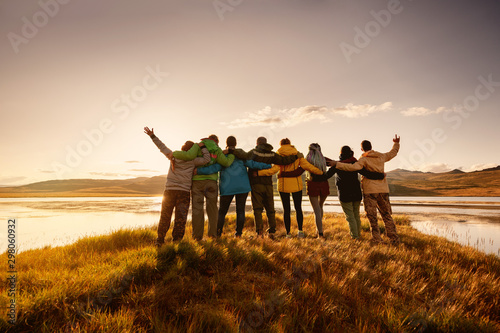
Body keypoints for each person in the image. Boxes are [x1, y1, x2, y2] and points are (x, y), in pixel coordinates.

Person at [279, 144, 384, 239]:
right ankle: (356, 235)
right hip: (343, 190)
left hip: (329, 190)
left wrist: (284, 174)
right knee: (349, 213)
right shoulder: (350, 163)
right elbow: (363, 172)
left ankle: (324, 233)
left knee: (321, 210)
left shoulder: (317, 161)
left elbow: (307, 172)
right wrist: (380, 175)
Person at [144, 127, 210, 246]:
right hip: (183, 192)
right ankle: (177, 242)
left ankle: (160, 240)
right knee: (180, 218)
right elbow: (207, 159)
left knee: (165, 216)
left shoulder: (173, 156)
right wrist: (202, 147)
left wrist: (152, 136)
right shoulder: (193, 160)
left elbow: (161, 147)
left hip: (169, 191)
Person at [195, 136, 271, 237]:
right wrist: (268, 166)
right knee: (240, 211)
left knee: (222, 212)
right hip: (242, 187)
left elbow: (214, 168)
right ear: (235, 143)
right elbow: (252, 164)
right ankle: (238, 234)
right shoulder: (240, 154)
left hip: (227, 188)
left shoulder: (223, 155)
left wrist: (198, 171)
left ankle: (218, 233)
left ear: (226, 143)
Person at [330, 135, 401, 244]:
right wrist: (396, 143)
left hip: (370, 191)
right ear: (371, 147)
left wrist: (337, 164)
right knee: (386, 214)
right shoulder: (381, 156)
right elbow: (393, 153)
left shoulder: (363, 159)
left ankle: (377, 239)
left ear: (362, 149)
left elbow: (352, 167)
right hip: (383, 190)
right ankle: (394, 238)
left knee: (372, 217)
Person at [172, 134, 235, 241]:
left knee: (197, 210)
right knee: (212, 210)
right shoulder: (217, 149)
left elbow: (188, 156)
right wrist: (231, 154)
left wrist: (173, 153)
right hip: (211, 183)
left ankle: (197, 237)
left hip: (197, 182)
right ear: (216, 141)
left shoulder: (197, 146)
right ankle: (212, 236)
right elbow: (226, 163)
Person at [233, 137, 298, 238]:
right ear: (266, 143)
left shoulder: (254, 152)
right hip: (268, 184)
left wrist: (232, 150)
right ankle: (272, 231)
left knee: (257, 209)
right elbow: (284, 161)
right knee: (270, 209)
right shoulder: (271, 154)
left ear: (257, 143)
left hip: (255, 184)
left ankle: (259, 232)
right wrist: (295, 156)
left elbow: (244, 155)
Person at [257, 138, 323, 238]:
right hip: (297, 185)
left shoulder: (278, 155)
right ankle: (300, 231)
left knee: (286, 210)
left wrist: (258, 173)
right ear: (290, 144)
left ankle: (288, 233)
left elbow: (273, 170)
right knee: (298, 208)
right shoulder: (297, 154)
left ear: (281, 144)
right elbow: (308, 166)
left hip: (283, 186)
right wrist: (320, 172)